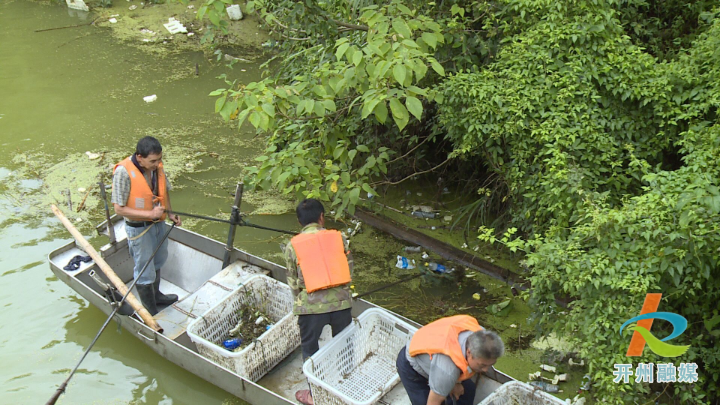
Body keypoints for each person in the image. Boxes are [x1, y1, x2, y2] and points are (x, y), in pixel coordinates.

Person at [285, 199, 353, 405]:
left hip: (310, 307)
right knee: (344, 346)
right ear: (322, 217)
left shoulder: (292, 246)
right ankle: (346, 390)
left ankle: (315, 395)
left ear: (299, 222)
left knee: (310, 350)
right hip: (341, 304)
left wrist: (304, 302)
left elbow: (293, 284)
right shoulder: (340, 237)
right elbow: (349, 270)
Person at [111, 136, 181, 315]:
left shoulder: (157, 167)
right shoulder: (123, 173)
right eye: (152, 161)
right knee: (144, 268)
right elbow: (119, 209)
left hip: (159, 224)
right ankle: (150, 310)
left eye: (159, 159)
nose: (157, 164)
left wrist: (171, 213)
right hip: (139, 229)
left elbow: (164, 192)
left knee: (158, 260)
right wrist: (149, 214)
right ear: (139, 157)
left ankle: (157, 296)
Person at [396, 315, 504, 405]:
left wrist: (457, 382)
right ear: (469, 352)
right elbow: (433, 403)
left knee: (468, 390)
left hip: (436, 356)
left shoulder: (481, 335)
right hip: (412, 367)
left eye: (491, 364)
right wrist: (451, 384)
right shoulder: (447, 371)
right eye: (482, 365)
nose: (486, 370)